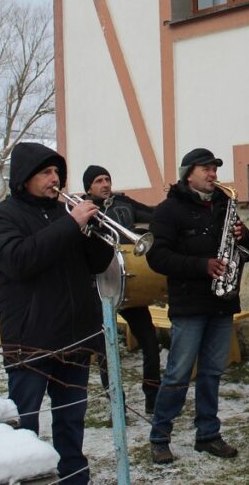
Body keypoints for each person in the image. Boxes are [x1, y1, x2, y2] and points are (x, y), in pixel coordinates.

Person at [0, 143, 113, 485]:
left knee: (71, 420)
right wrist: (71, 225)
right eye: (46, 172)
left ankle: (75, 477)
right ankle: (27, 478)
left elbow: (97, 264)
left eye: (57, 172)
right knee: (25, 422)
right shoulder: (0, 217)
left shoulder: (62, 214)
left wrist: (98, 230)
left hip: (75, 337)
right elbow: (19, 260)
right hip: (31, 340)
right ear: (25, 177)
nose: (55, 179)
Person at [146, 148, 249, 465]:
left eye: (214, 169)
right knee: (178, 373)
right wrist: (200, 265)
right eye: (206, 169)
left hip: (222, 303)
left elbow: (248, 251)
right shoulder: (168, 210)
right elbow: (157, 257)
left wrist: (244, 237)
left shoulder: (225, 206)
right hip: (189, 305)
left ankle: (208, 434)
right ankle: (159, 437)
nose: (213, 174)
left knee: (211, 373)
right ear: (188, 173)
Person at [81, 164, 161, 412]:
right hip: (99, 288)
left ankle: (152, 396)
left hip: (128, 283)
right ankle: (117, 402)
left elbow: (152, 214)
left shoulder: (123, 204)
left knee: (150, 342)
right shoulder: (82, 211)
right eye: (98, 181)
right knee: (107, 348)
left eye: (107, 179)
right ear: (88, 188)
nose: (105, 184)